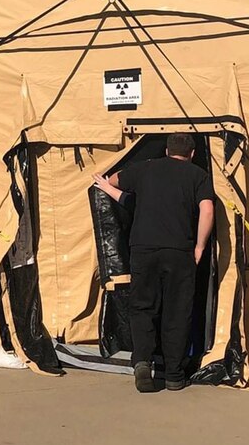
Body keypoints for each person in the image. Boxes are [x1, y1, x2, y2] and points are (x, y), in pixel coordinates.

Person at [92, 133, 215, 393]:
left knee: (142, 307)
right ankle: (173, 375)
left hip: (144, 249)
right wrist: (200, 247)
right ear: (192, 154)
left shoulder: (145, 168)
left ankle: (143, 364)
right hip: (180, 251)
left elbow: (115, 181)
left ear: (166, 151)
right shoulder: (197, 175)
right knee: (177, 310)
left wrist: (109, 188)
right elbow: (207, 210)